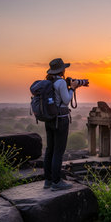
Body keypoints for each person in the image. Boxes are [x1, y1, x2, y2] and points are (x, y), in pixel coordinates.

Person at [43, 58, 79, 191]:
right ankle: (57, 182)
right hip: (61, 119)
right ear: (62, 70)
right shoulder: (60, 83)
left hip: (50, 119)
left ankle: (47, 180)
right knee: (58, 151)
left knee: (50, 149)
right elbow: (67, 100)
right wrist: (73, 88)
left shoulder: (48, 81)